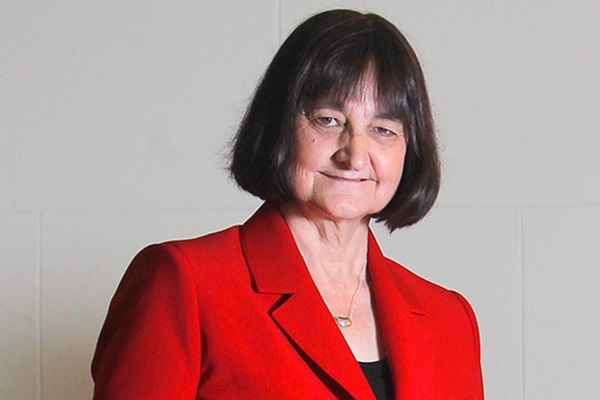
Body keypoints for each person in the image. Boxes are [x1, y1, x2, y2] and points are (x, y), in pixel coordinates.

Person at [91, 9, 484, 400]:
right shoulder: (184, 285)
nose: (354, 154)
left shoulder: (449, 320)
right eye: (329, 120)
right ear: (280, 125)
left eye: (383, 129)